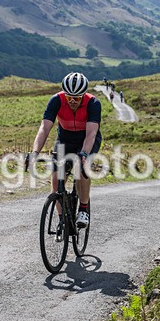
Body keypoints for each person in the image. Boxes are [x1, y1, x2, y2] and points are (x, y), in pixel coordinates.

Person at [28, 71, 102, 231]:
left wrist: (84, 154)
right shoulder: (56, 100)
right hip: (65, 140)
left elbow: (91, 133)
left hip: (86, 140)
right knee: (56, 179)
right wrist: (34, 152)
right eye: (69, 97)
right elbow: (44, 128)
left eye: (77, 98)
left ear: (84, 95)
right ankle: (63, 221)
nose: (73, 101)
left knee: (81, 169)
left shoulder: (93, 103)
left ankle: (83, 209)